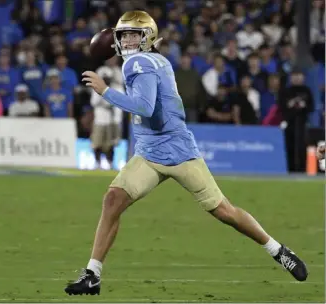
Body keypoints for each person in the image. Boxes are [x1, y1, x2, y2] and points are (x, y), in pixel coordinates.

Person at [65, 10, 308, 296]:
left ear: (148, 37)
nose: (128, 40)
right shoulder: (152, 60)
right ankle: (93, 273)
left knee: (225, 212)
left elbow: (144, 107)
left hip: (178, 152)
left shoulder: (140, 63)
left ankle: (277, 250)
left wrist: (105, 91)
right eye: (124, 35)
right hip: (148, 153)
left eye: (134, 34)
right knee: (113, 200)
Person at [90, 66, 123, 169]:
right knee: (97, 143)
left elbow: (116, 103)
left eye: (108, 78)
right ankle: (97, 162)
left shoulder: (114, 89)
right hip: (99, 119)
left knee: (110, 144)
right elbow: (93, 102)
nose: (106, 80)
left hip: (110, 120)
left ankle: (110, 162)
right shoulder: (95, 88)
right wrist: (104, 99)